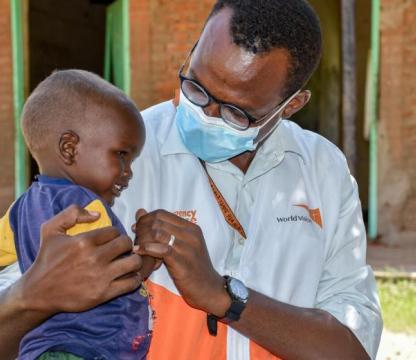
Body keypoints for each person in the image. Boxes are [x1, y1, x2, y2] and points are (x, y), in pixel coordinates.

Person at [0, 1, 382, 359]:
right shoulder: (113, 156)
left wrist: (224, 296)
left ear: (291, 105)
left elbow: (351, 347)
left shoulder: (322, 169)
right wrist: (29, 297)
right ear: (194, 49)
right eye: (196, 86)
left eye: (236, 112)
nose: (205, 113)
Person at [0, 70, 152, 359]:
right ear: (69, 148)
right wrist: (147, 252)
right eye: (121, 155)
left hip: (37, 347)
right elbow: (122, 274)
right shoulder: (86, 208)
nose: (128, 172)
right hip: (88, 347)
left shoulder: (20, 208)